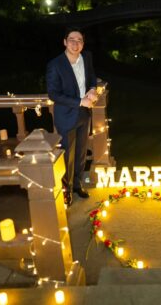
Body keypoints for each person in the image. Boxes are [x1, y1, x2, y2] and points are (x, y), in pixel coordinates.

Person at [46, 27, 98, 205]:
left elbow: (91, 77)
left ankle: (77, 185)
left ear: (83, 43)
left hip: (84, 115)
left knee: (81, 153)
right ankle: (66, 189)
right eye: (72, 40)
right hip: (66, 117)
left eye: (80, 40)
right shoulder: (55, 65)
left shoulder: (87, 57)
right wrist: (80, 101)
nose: (76, 44)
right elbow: (53, 94)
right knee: (67, 155)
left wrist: (92, 89)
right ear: (65, 42)